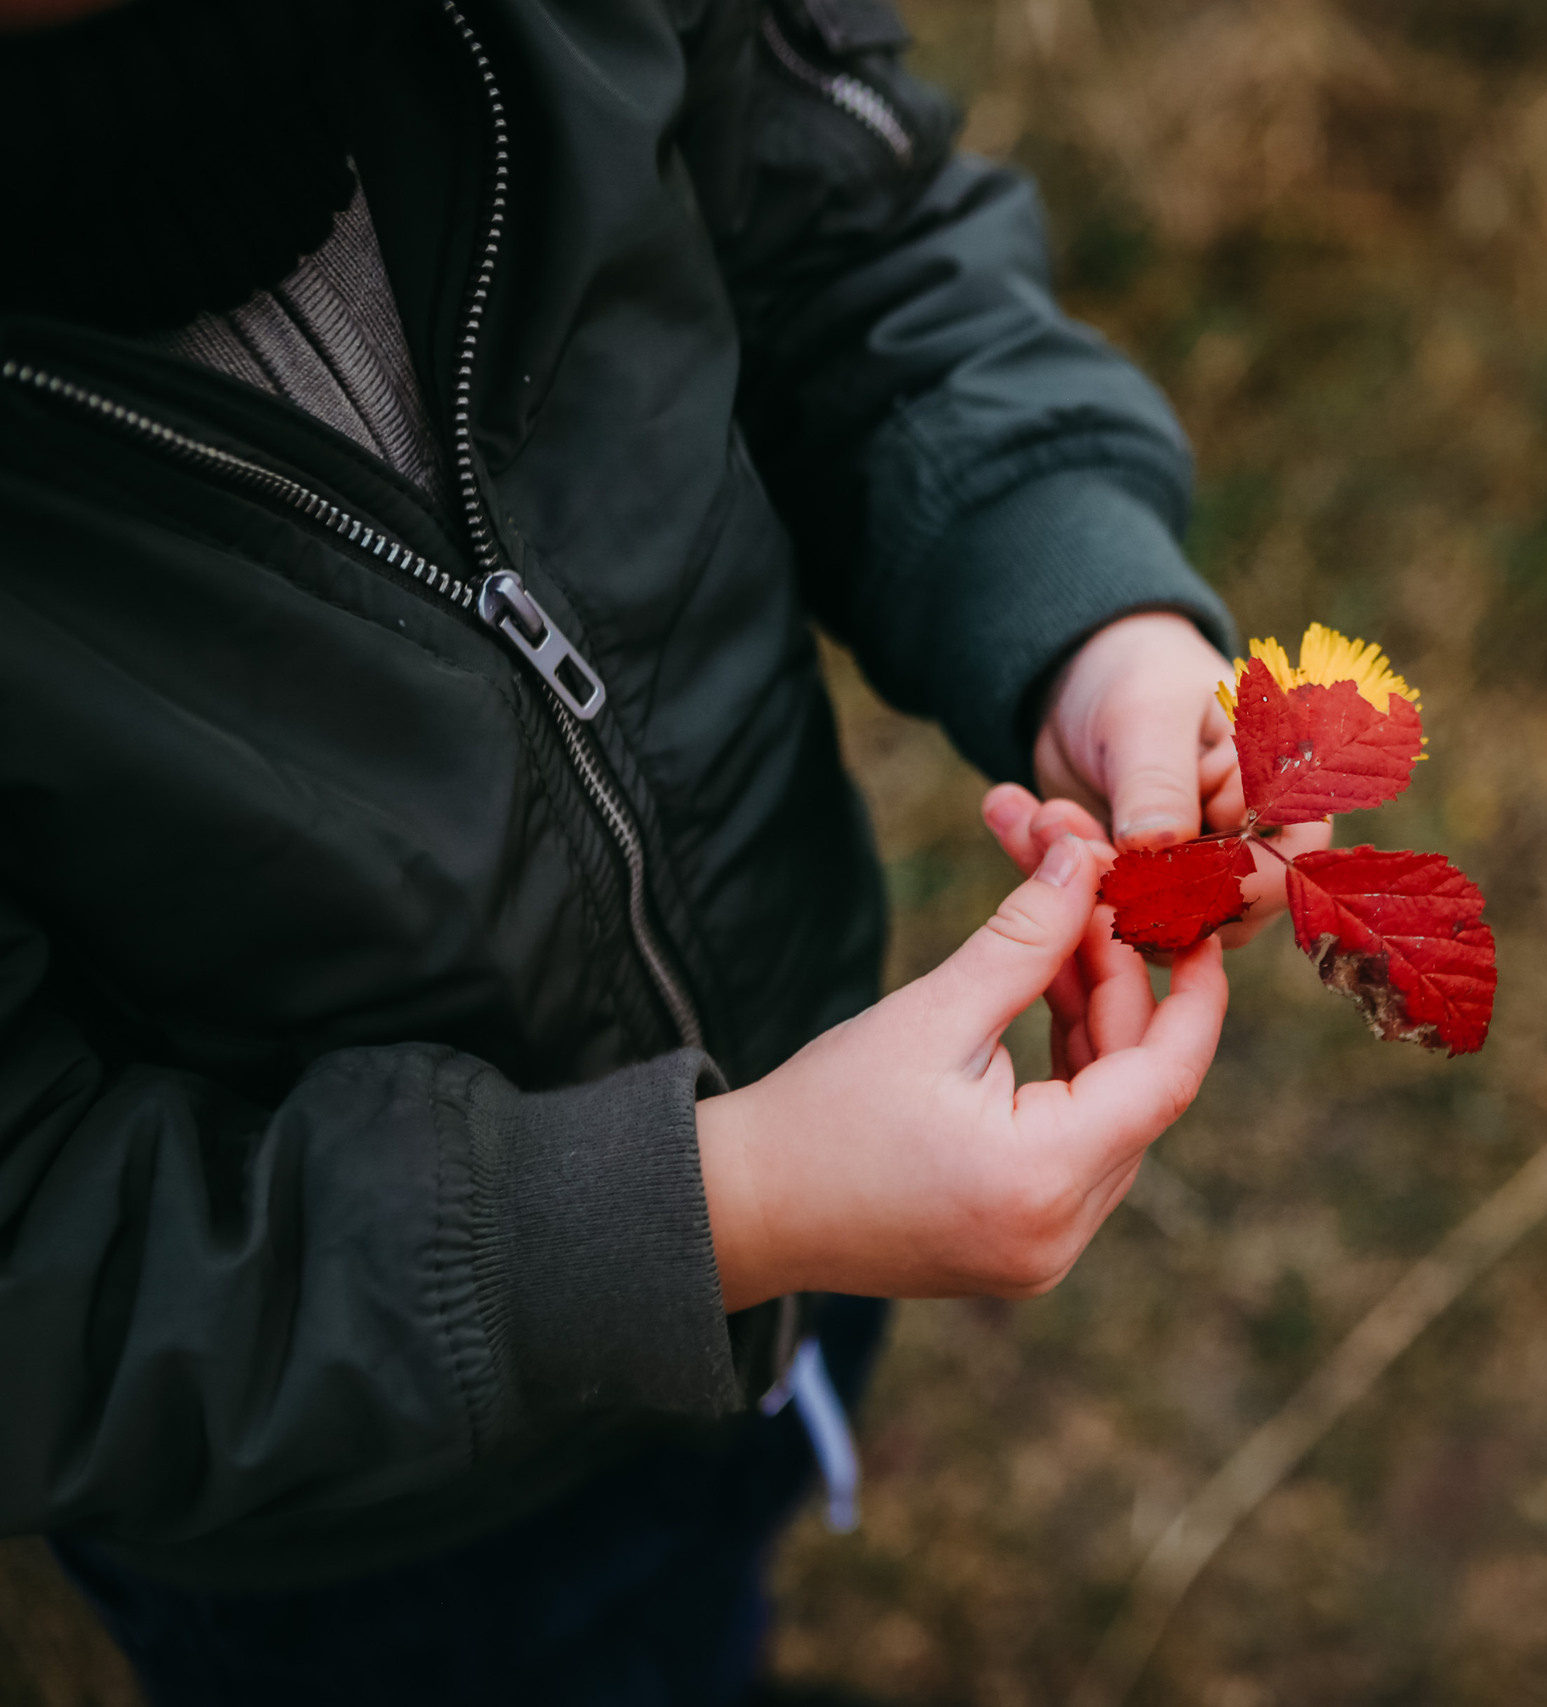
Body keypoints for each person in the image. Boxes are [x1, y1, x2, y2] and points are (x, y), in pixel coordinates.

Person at [0, 0, 1321, 1697]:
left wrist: (1087, 614)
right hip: (372, 1529)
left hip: (815, 1122)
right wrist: (719, 1203)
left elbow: (855, 253)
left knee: (707, 1585)